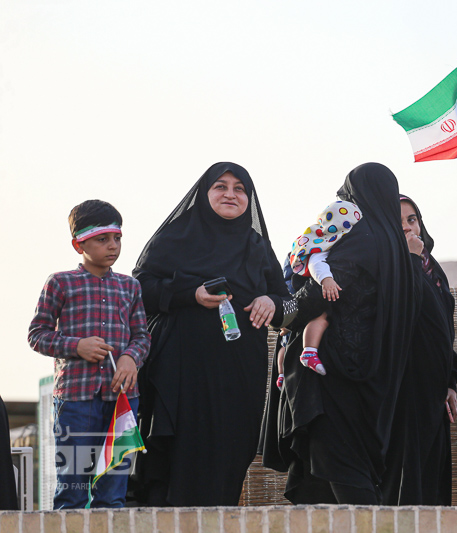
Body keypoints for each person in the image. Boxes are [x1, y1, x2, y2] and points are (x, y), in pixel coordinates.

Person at [132, 162, 290, 506]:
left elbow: (289, 303)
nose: (230, 194)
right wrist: (191, 294)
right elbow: (139, 288)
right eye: (221, 186)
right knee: (179, 457)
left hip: (240, 374)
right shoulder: (175, 237)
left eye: (239, 188)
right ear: (204, 194)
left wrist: (271, 302)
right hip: (180, 373)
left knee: (231, 450)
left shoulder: (257, 246)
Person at [259, 163, 417, 505]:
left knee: (344, 469)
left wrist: (282, 312)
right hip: (374, 379)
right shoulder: (396, 248)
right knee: (336, 476)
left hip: (335, 376)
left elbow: (323, 292)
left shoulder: (362, 238)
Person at [28, 200, 150, 509]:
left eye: (117, 238)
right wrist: (77, 346)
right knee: (72, 491)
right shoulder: (60, 283)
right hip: (75, 401)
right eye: (102, 239)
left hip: (123, 401)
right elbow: (37, 335)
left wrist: (130, 358)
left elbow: (142, 336)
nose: (113, 246)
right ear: (78, 244)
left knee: (113, 494)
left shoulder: (131, 287)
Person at [380, 195, 457, 505]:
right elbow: (404, 309)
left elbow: (444, 329)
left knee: (431, 483)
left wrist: (450, 381)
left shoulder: (432, 268)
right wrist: (411, 259)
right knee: (404, 482)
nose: (407, 227)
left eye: (411, 220)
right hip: (404, 392)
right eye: (397, 222)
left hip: (433, 393)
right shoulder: (384, 265)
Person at [281, 200, 363, 379]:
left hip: (306, 287)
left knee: (287, 338)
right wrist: (327, 279)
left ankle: (281, 373)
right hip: (310, 286)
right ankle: (309, 352)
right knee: (322, 317)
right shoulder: (325, 243)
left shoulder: (323, 239)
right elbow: (316, 263)